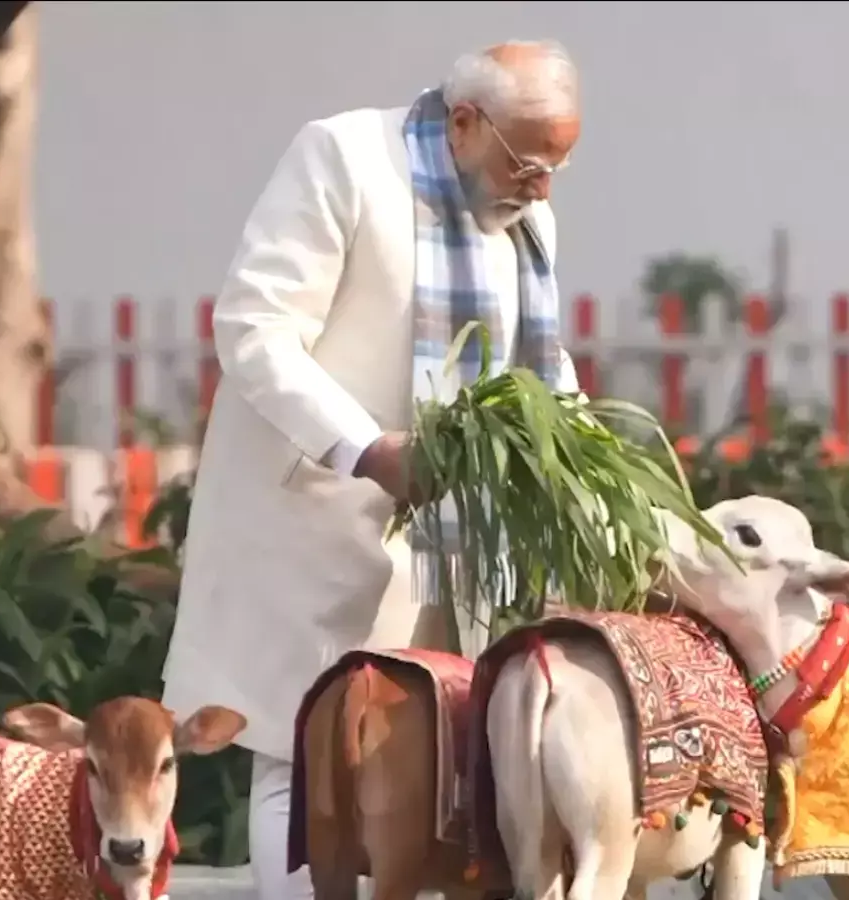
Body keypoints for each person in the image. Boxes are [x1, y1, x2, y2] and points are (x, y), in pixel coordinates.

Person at [161, 40, 583, 900]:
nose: (541, 188)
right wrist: (367, 449)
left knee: (442, 761)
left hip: (454, 544)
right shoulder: (344, 159)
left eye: (556, 170)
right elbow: (254, 327)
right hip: (319, 518)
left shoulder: (525, 215)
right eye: (529, 164)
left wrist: (580, 464)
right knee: (302, 753)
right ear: (465, 123)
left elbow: (539, 368)